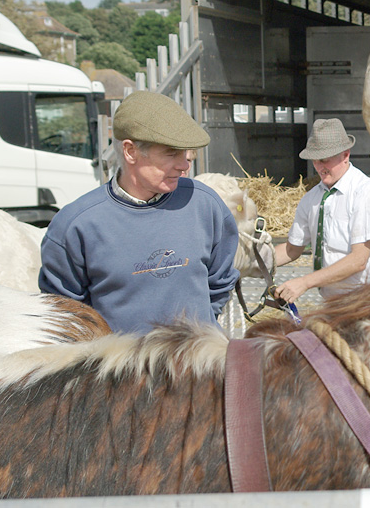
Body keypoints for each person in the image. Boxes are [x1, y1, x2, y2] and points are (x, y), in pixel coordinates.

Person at [39, 91, 240, 335]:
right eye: (171, 153)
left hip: (198, 367)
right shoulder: (76, 225)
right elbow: (66, 316)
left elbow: (221, 281)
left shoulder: (204, 204)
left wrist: (196, 338)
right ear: (130, 151)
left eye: (185, 154)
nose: (185, 164)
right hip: (122, 372)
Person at [274, 118, 370, 302]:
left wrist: (304, 282)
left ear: (345, 155)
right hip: (333, 302)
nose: (319, 167)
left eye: (325, 160)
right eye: (315, 161)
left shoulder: (366, 193)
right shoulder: (311, 198)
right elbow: (292, 249)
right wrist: (248, 263)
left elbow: (358, 260)